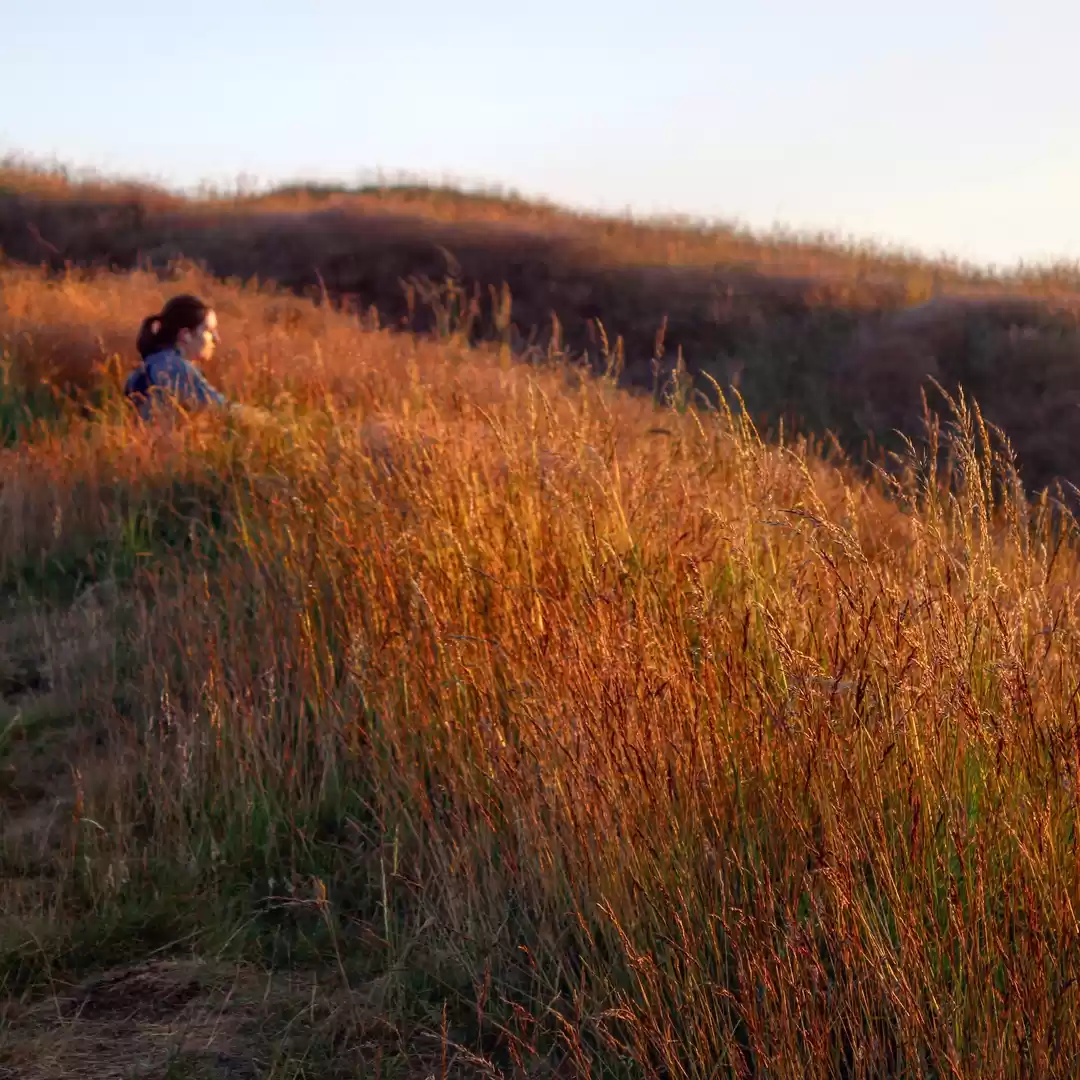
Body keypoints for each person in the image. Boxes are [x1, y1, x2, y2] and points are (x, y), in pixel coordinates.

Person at [124, 294, 230, 420]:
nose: (217, 339)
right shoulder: (175, 368)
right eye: (209, 331)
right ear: (185, 335)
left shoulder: (156, 362)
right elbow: (222, 409)